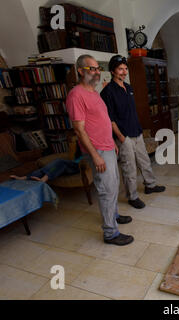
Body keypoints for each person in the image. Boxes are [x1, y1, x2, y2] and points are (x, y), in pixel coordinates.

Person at [66, 54, 134, 246]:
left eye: (97, 69)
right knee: (106, 189)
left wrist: (112, 142)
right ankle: (110, 233)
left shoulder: (94, 92)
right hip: (97, 151)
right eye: (92, 69)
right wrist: (95, 155)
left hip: (107, 146)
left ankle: (114, 215)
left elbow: (102, 120)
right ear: (80, 71)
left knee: (114, 184)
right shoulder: (76, 95)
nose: (96, 72)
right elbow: (79, 129)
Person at [100, 55, 165, 209]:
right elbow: (110, 119)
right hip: (124, 135)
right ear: (112, 71)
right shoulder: (107, 92)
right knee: (129, 167)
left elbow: (131, 111)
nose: (124, 72)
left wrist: (139, 129)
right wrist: (121, 137)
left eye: (125, 68)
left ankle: (150, 185)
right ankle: (132, 196)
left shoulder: (128, 87)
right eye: (120, 69)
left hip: (136, 131)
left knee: (145, 161)